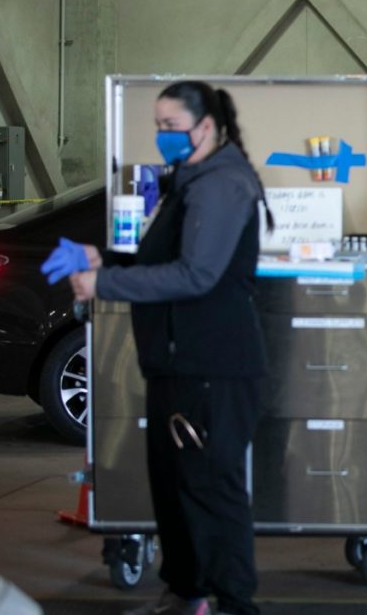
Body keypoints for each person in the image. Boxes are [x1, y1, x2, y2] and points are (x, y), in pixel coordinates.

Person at [41, 81, 271, 615]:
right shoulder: (190, 181)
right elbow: (160, 260)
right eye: (158, 126)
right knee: (175, 489)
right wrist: (102, 258)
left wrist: (104, 285)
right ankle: (188, 595)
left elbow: (196, 274)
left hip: (212, 366)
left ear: (206, 126)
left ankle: (235, 604)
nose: (162, 137)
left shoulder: (222, 185)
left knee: (212, 492)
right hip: (177, 361)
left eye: (171, 127)